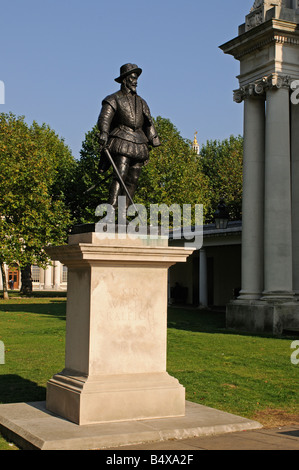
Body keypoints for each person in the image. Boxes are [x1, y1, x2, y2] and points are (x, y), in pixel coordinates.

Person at [97, 63, 161, 215]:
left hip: (139, 141)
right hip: (121, 138)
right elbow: (104, 118)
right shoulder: (113, 99)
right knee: (120, 175)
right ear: (125, 79)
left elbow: (148, 121)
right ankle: (111, 210)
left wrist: (154, 137)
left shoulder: (141, 102)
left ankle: (124, 211)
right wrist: (104, 132)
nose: (135, 81)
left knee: (133, 179)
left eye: (136, 78)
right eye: (132, 78)